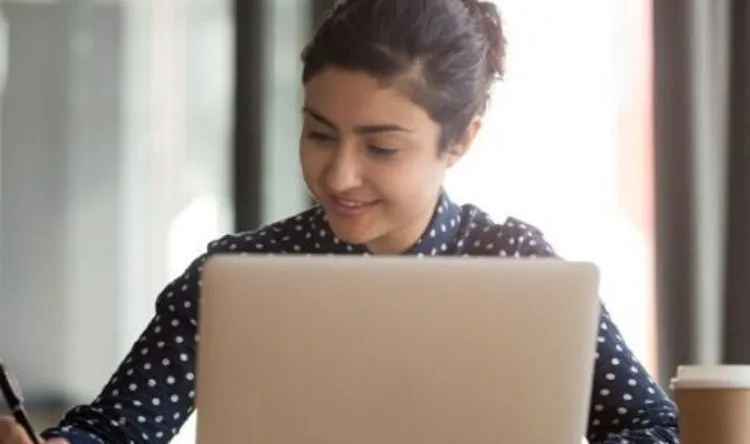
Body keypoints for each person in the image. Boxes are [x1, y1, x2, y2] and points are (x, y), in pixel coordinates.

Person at [0, 0, 680, 442]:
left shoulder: (519, 269)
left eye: (381, 147)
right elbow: (116, 430)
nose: (338, 174)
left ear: (461, 140)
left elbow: (653, 429)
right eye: (319, 133)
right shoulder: (241, 279)